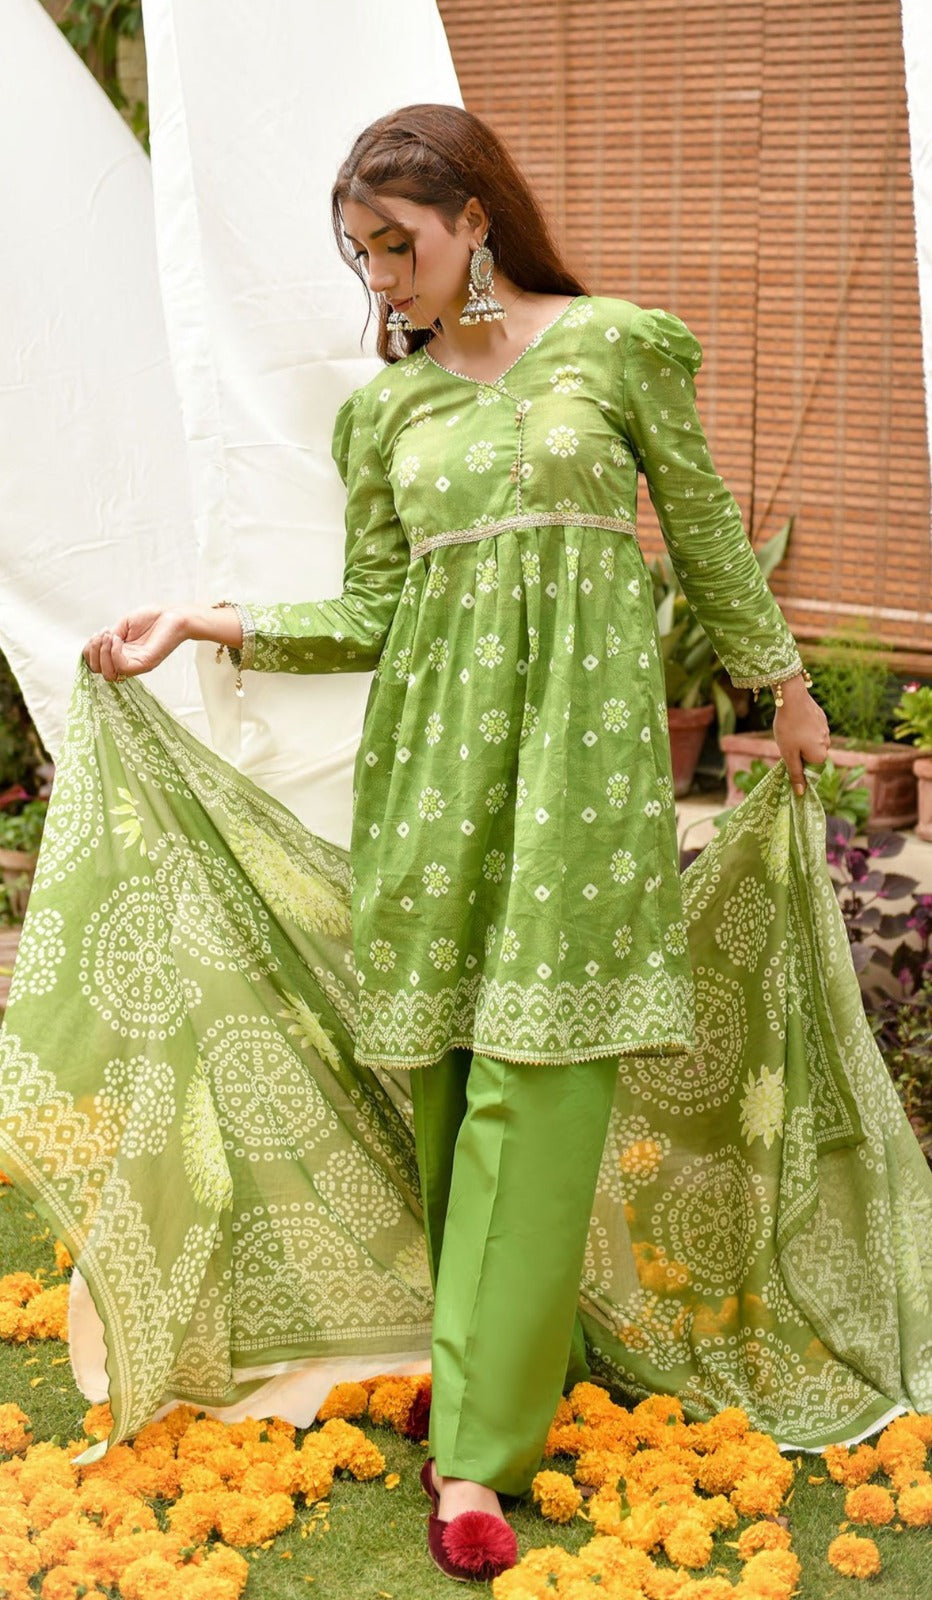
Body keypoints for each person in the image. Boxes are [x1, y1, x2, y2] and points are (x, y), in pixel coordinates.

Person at [80, 104, 840, 1581]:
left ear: (475, 218)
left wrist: (785, 688)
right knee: (452, 1088)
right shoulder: (390, 415)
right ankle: (485, 1360)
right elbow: (374, 611)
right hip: (434, 777)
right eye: (361, 255)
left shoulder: (618, 349)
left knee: (541, 1091)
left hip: (585, 784)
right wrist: (201, 621)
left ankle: (477, 1454)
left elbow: (702, 526)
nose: (382, 278)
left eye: (399, 244)